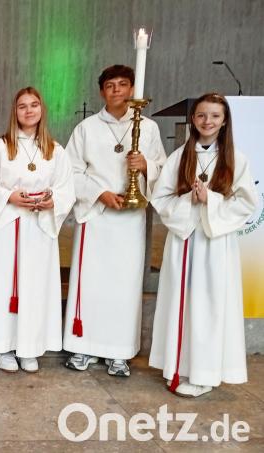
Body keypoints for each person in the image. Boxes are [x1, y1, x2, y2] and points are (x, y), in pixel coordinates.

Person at [149, 93, 256, 397]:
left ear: (224, 122)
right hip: (183, 240)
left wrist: (212, 200)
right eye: (201, 116)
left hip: (215, 243)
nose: (207, 121)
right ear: (193, 119)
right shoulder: (180, 155)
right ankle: (177, 364)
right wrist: (188, 201)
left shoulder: (235, 158)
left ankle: (204, 373)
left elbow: (247, 203)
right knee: (181, 303)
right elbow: (161, 197)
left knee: (209, 306)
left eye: (215, 116)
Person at [62, 65, 166, 377]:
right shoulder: (87, 128)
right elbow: (70, 171)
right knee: (90, 283)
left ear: (132, 89)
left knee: (124, 284)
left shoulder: (147, 129)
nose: (117, 90)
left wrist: (145, 165)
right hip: (96, 216)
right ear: (101, 92)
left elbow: (163, 167)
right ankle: (83, 347)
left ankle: (119, 352)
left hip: (130, 218)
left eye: (123, 84)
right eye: (110, 85)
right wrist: (100, 193)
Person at [0, 87, 75, 373]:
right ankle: (3, 346)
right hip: (6, 227)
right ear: (14, 112)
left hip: (38, 229)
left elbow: (67, 188)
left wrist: (53, 200)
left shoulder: (56, 150)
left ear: (42, 110)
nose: (29, 111)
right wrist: (9, 197)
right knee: (4, 285)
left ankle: (29, 347)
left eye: (34, 105)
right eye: (22, 106)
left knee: (35, 286)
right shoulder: (0, 147)